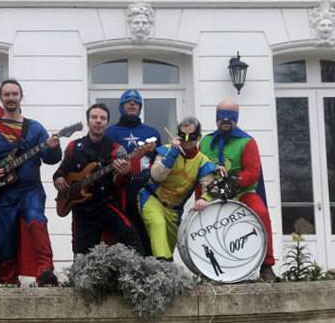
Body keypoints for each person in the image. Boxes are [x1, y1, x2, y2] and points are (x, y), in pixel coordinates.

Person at [0, 79, 62, 286]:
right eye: (7, 94)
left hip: (30, 189)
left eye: (15, 94)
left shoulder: (36, 128)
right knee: (5, 237)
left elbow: (50, 158)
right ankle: (8, 283)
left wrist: (54, 147)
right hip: (2, 193)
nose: (11, 98)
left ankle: (45, 272)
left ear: (21, 97)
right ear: (1, 98)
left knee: (36, 220)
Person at [199, 99, 276, 281]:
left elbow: (252, 172)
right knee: (200, 220)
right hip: (212, 194)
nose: (225, 120)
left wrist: (230, 185)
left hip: (242, 193)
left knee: (261, 213)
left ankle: (267, 265)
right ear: (216, 118)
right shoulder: (206, 142)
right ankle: (206, 267)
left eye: (230, 116)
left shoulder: (246, 142)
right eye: (221, 116)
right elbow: (198, 168)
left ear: (237, 118)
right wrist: (202, 197)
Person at [53, 103, 144, 255]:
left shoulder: (117, 150)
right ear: (88, 121)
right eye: (94, 117)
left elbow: (124, 183)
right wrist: (58, 178)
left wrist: (125, 172)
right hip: (82, 209)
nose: (98, 121)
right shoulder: (74, 147)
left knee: (133, 241)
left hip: (107, 204)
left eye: (103, 118)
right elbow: (62, 170)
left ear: (107, 123)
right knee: (81, 255)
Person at [138, 117, 214, 261]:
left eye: (191, 137)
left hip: (174, 209)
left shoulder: (203, 162)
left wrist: (204, 199)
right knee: (157, 224)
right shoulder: (165, 151)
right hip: (153, 199)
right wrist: (172, 153)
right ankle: (163, 268)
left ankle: (164, 270)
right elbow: (156, 175)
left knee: (169, 246)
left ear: (198, 137)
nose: (186, 141)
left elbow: (209, 187)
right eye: (182, 136)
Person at [106, 89, 162, 256]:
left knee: (148, 231)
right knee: (123, 233)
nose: (132, 104)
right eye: (128, 101)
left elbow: (160, 162)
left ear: (140, 107)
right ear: (121, 106)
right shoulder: (110, 132)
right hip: (119, 191)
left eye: (136, 102)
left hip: (147, 191)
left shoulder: (152, 133)